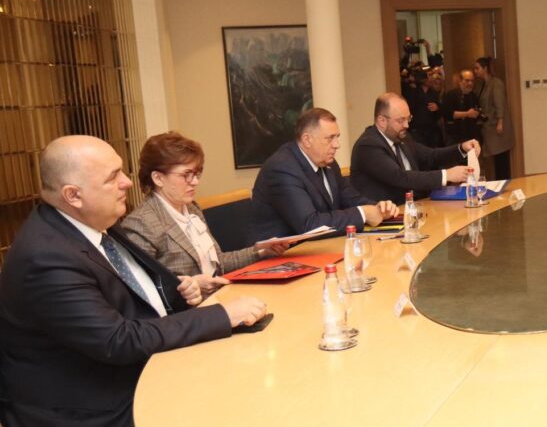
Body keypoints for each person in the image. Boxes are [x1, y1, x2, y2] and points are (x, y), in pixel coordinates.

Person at [0, 135, 267, 427]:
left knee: (243, 371)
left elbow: (137, 296)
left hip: (114, 373)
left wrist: (181, 291)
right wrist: (221, 315)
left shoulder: (90, 224)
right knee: (219, 406)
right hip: (85, 417)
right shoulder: (46, 257)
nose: (127, 182)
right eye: (112, 177)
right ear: (73, 195)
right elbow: (118, 340)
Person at [121, 132, 290, 297]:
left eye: (196, 173)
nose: (195, 181)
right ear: (158, 178)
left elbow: (219, 263)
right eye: (186, 175)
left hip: (220, 296)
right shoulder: (141, 223)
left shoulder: (191, 207)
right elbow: (145, 294)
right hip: (191, 311)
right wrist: (193, 286)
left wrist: (261, 252)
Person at [249, 107, 397, 243]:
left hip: (319, 246)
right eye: (330, 138)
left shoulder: (328, 163)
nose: (337, 145)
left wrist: (378, 207)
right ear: (307, 140)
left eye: (337, 137)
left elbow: (350, 198)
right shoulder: (283, 168)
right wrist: (363, 213)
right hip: (281, 256)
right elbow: (309, 225)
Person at [350, 93, 480, 205]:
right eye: (401, 120)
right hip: (387, 216)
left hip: (415, 207)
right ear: (382, 121)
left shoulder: (401, 137)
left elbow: (431, 155)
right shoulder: (368, 145)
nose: (406, 125)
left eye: (408, 119)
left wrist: (462, 148)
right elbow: (400, 177)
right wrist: (447, 175)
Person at [474, 56, 514, 180]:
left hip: (496, 126)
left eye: (477, 68)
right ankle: (498, 182)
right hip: (488, 126)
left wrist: (500, 122)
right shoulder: (482, 85)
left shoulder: (496, 83)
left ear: (485, 68)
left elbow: (499, 103)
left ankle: (504, 183)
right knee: (494, 159)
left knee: (501, 158)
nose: (475, 71)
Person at [442, 69, 482, 146]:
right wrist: (467, 114)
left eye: (472, 81)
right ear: (460, 81)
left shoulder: (473, 96)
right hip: (455, 136)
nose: (470, 83)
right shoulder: (451, 94)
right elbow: (448, 114)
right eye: (467, 80)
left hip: (471, 135)